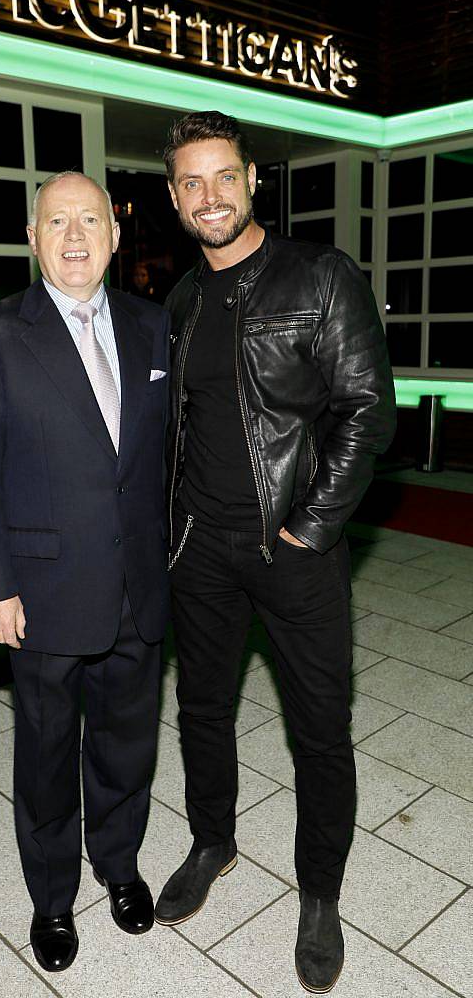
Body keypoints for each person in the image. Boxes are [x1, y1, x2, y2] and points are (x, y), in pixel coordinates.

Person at [155, 112, 396, 994]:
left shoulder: (319, 275)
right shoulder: (181, 301)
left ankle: (321, 894)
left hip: (295, 550)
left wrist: (311, 526)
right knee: (203, 711)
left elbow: (369, 407)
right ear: (174, 197)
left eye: (224, 176)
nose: (209, 195)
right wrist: (171, 534)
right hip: (199, 552)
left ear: (252, 178)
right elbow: (180, 429)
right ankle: (212, 839)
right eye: (191, 181)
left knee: (320, 732)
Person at [0, 171, 170, 974]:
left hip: (139, 589)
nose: (75, 236)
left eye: (91, 220)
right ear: (33, 240)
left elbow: (163, 461)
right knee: (45, 757)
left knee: (127, 744)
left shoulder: (153, 327)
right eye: (57, 222)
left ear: (115, 235)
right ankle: (52, 898)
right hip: (38, 594)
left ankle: (119, 865)